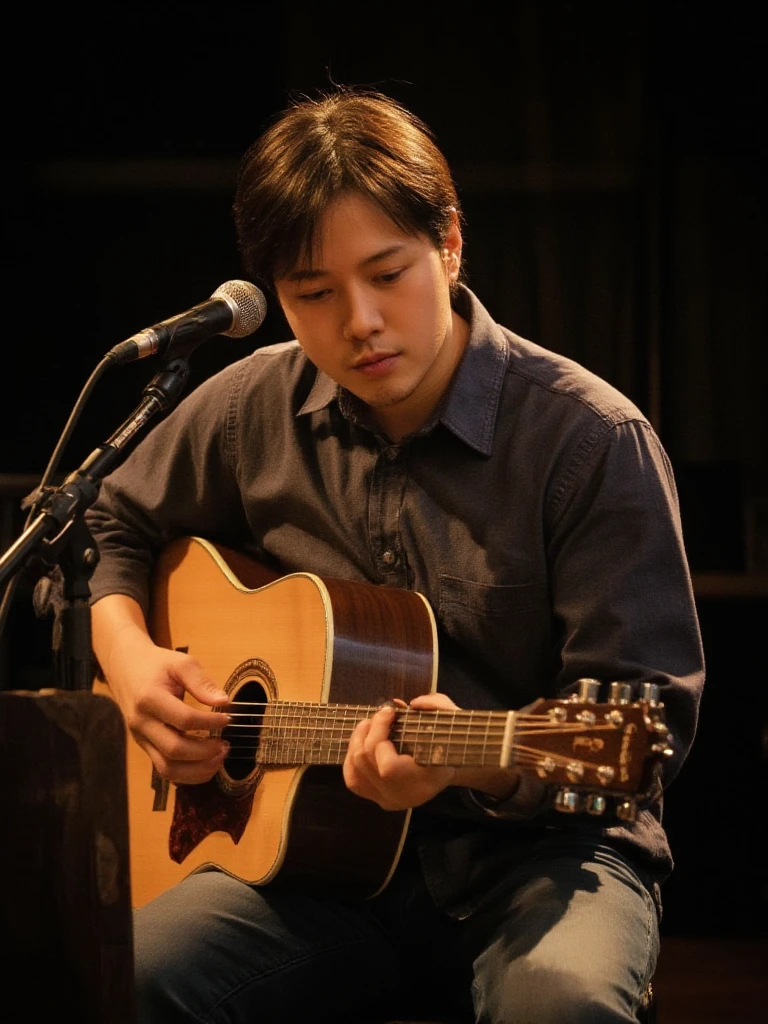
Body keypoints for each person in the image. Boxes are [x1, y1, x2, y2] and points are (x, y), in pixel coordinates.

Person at [83, 86, 704, 1023]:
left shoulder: (590, 441)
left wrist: (475, 763)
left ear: (449, 242)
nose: (359, 322)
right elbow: (111, 523)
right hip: (311, 867)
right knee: (123, 980)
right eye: (314, 294)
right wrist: (133, 666)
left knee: (562, 1007)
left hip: (538, 862)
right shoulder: (252, 405)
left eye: (387, 273)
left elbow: (640, 726)